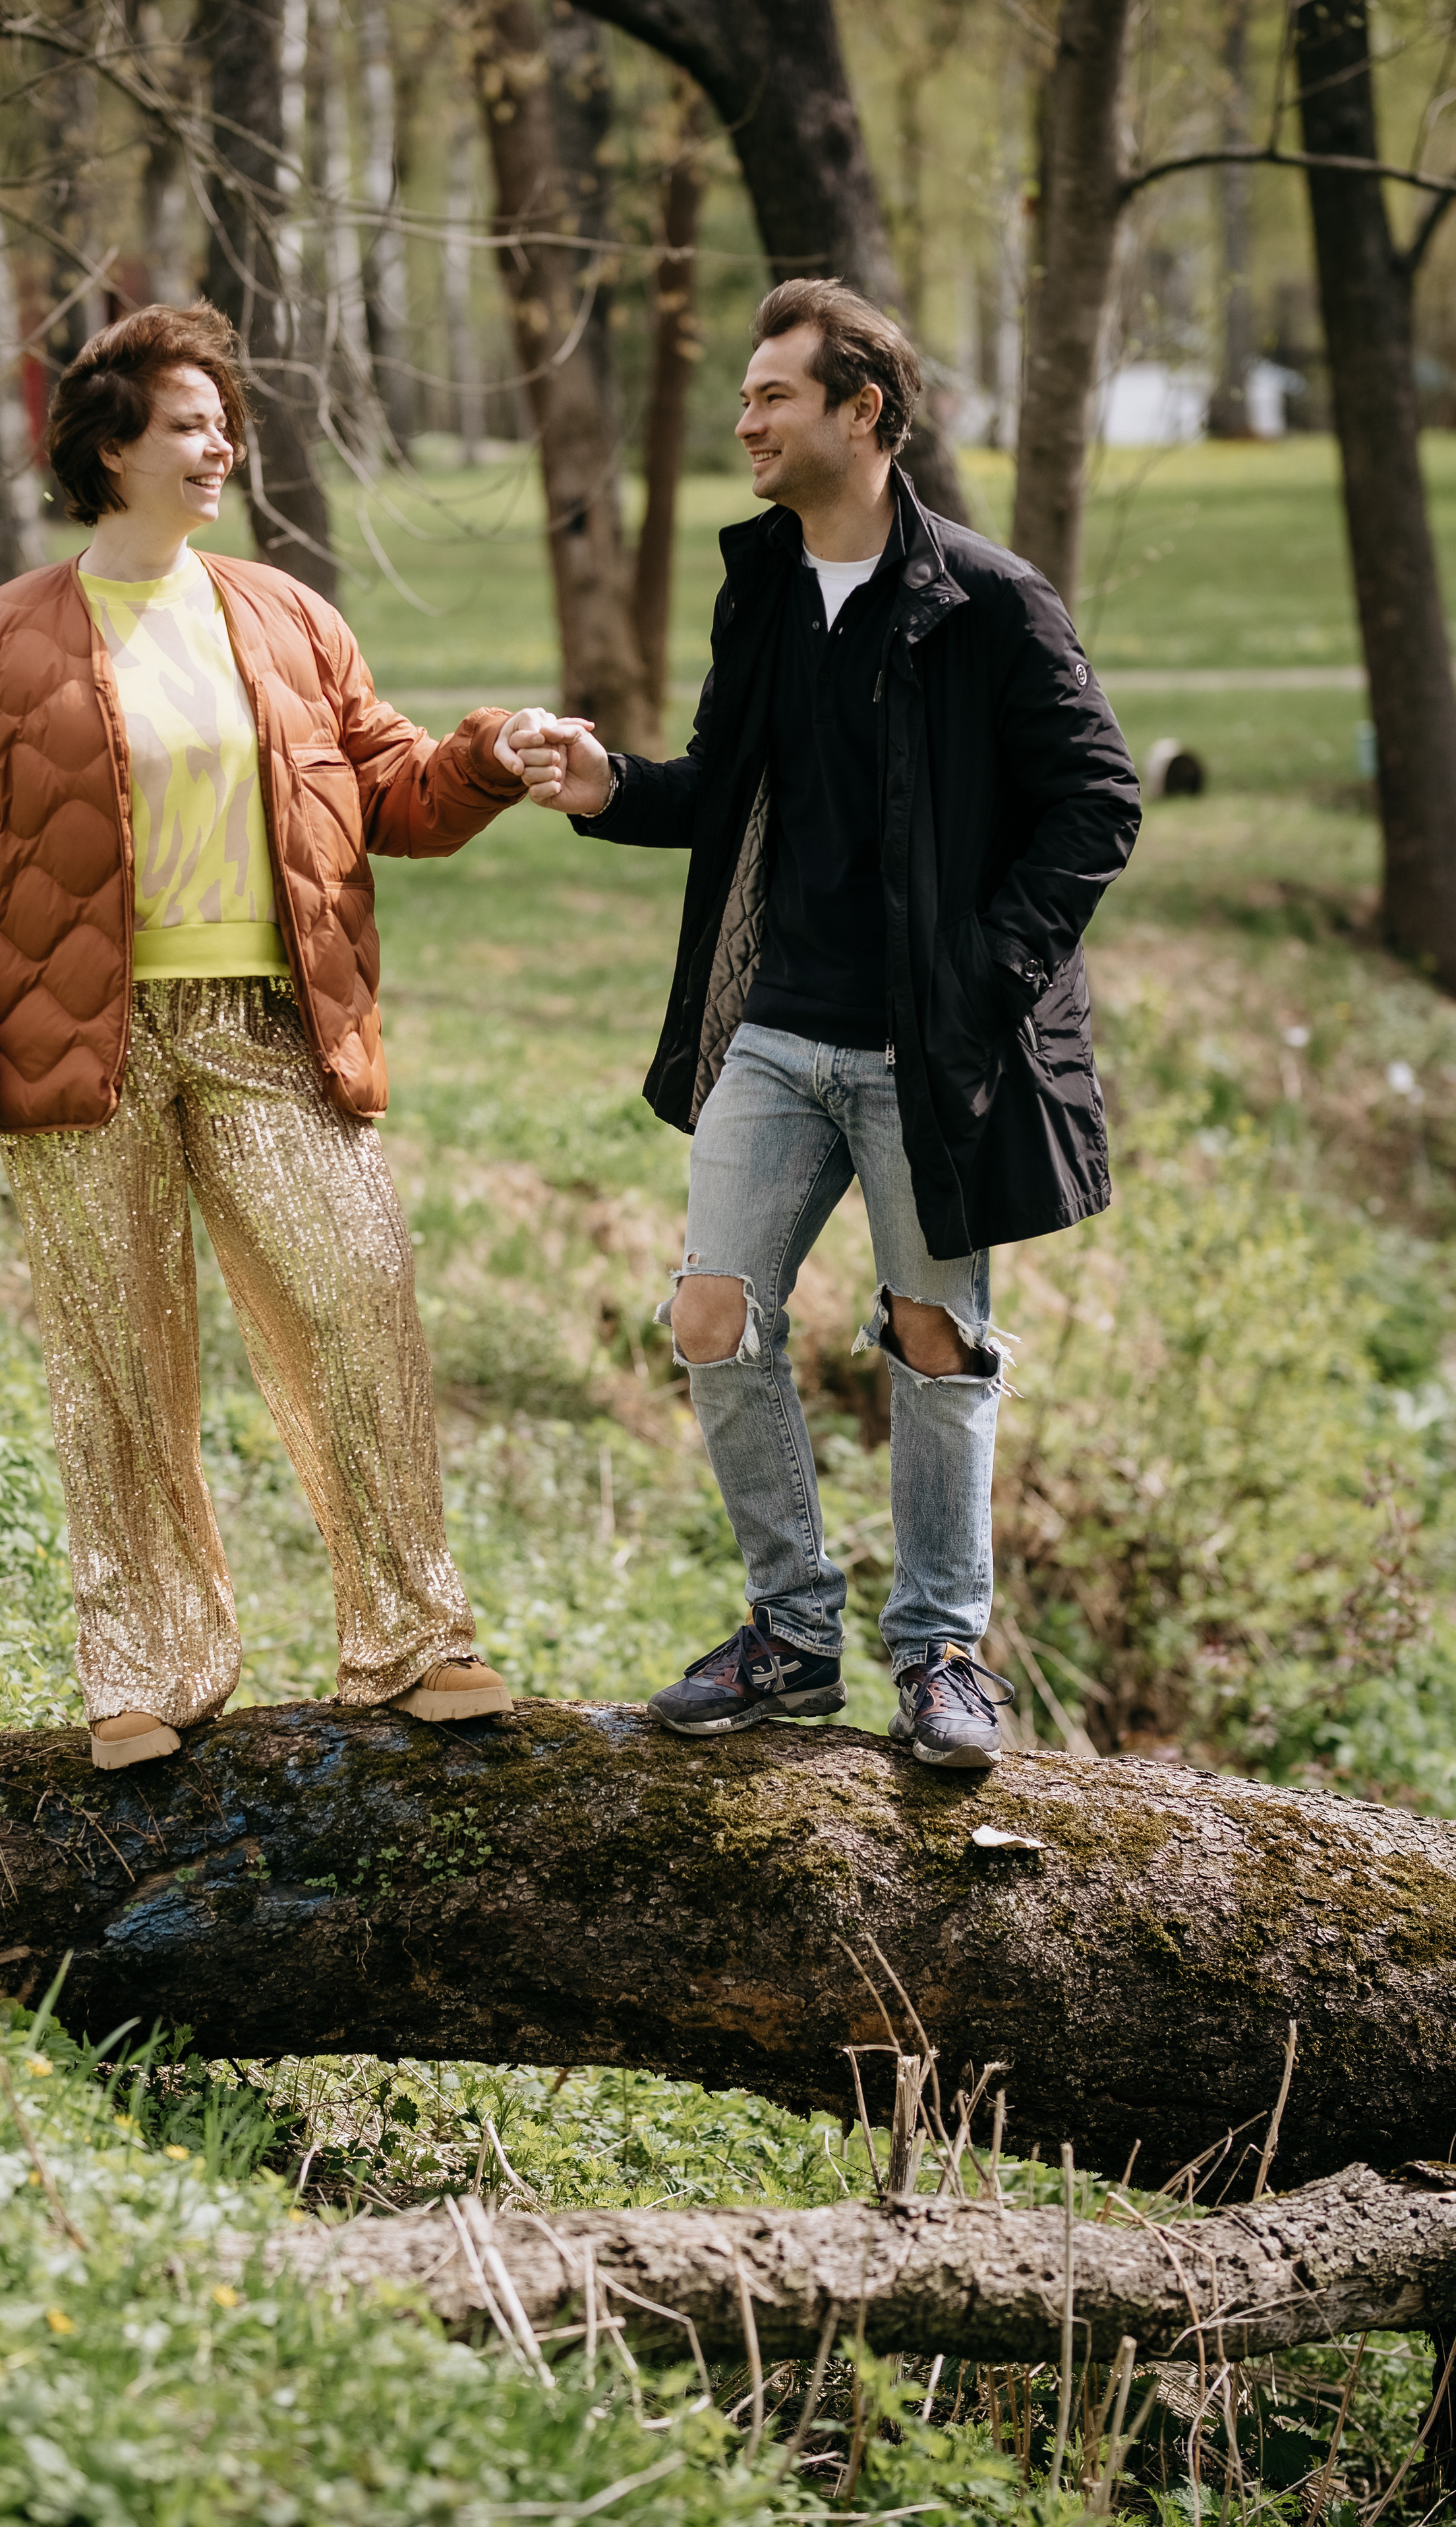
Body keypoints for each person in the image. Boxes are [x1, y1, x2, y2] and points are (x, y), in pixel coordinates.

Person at [0, 301, 556, 1770]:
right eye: (190, 426)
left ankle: (412, 1642)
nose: (219, 449)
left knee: (356, 1300)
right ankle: (147, 1672)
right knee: (119, 1360)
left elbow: (384, 788)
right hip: (81, 1050)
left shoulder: (285, 614)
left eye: (222, 425)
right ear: (111, 447)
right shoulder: (0, 643)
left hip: (269, 1024)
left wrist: (486, 754)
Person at [515, 278, 1140, 1768]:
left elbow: (1095, 800)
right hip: (777, 1033)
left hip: (935, 1054)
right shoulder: (765, 591)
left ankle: (938, 1657)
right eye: (739, 398)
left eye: (771, 397)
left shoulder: (986, 601)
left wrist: (984, 980)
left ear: (862, 412)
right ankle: (792, 1635)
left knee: (933, 1338)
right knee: (709, 1313)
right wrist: (602, 783)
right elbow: (715, 789)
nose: (744, 420)